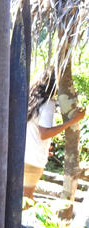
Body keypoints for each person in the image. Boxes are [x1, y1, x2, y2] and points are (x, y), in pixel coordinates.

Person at [24, 68, 85, 198]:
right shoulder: (47, 103)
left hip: (22, 156)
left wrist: (45, 148)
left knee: (22, 197)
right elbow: (44, 133)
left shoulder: (31, 100)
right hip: (33, 160)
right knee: (26, 199)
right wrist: (73, 121)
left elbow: (33, 131)